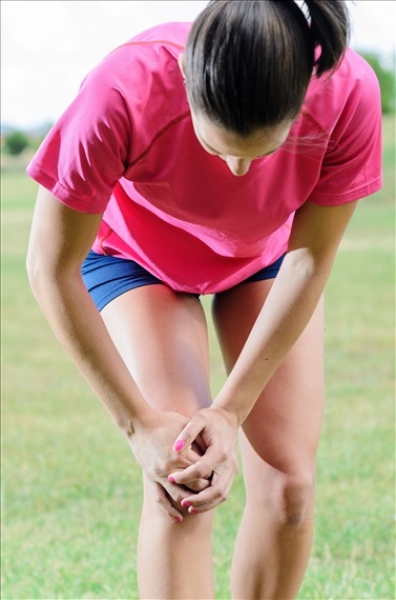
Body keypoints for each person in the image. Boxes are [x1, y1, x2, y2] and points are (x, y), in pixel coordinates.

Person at [26, 1, 382, 598]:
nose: (240, 172)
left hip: (268, 257)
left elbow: (310, 257)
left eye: (263, 152)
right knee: (182, 476)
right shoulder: (121, 91)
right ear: (186, 85)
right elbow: (49, 266)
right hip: (136, 258)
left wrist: (231, 410)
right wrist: (138, 424)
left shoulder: (347, 93)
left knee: (290, 482)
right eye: (219, 150)